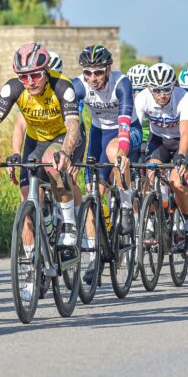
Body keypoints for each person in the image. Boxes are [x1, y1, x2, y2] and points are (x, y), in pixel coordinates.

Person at [0, 43, 81, 296]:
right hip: (36, 139)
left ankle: (69, 224)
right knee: (28, 206)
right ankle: (31, 270)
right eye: (24, 76)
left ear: (46, 70)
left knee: (52, 163)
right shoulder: (14, 87)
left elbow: (74, 126)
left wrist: (66, 152)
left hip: (63, 137)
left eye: (35, 75)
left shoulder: (62, 86)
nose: (29, 82)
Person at [72, 45, 142, 237]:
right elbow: (74, 124)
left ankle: (126, 206)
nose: (92, 78)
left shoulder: (121, 83)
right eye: (88, 72)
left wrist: (122, 151)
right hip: (99, 132)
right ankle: (94, 246)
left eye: (98, 72)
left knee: (114, 152)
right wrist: (72, 156)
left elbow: (125, 122)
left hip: (127, 129)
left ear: (108, 69)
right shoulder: (78, 85)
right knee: (92, 192)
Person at [135, 63, 188, 253]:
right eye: (156, 90)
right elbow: (134, 129)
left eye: (166, 89)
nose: (161, 94)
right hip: (159, 140)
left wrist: (181, 157)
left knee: (177, 182)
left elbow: (185, 133)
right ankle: (151, 223)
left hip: (184, 141)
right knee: (150, 174)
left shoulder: (183, 97)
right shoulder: (142, 98)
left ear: (173, 86)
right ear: (149, 88)